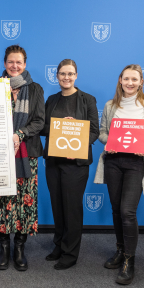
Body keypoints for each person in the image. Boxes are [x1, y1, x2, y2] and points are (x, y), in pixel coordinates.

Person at [94, 64, 144, 284]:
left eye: (135, 79)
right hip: (113, 162)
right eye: (126, 79)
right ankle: (121, 250)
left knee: (127, 211)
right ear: (120, 81)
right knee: (115, 209)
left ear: (142, 81)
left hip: (136, 163)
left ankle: (129, 260)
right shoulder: (111, 105)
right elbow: (103, 133)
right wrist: (108, 142)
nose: (130, 83)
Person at [0, 45, 44, 271]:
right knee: (0, 200)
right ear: (4, 63)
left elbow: (39, 121)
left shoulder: (35, 89)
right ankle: (3, 249)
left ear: (25, 64)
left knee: (23, 203)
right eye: (11, 62)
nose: (14, 66)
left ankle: (19, 248)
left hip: (25, 153)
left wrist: (19, 134)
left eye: (19, 62)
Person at [41, 59, 99, 270]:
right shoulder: (51, 100)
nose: (66, 77)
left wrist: (76, 131)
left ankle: (70, 252)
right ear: (56, 76)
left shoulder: (88, 100)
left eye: (70, 74)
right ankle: (59, 245)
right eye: (62, 74)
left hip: (77, 163)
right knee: (58, 206)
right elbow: (43, 127)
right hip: (54, 162)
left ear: (76, 76)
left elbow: (95, 131)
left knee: (72, 208)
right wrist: (60, 126)